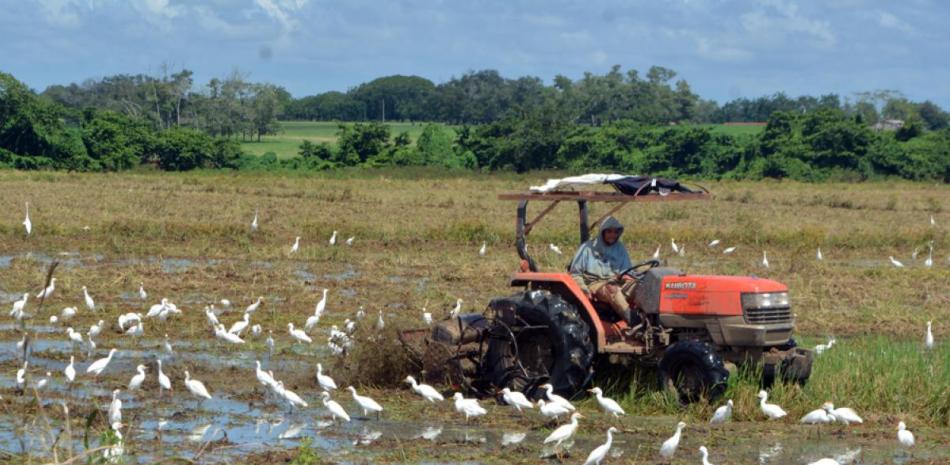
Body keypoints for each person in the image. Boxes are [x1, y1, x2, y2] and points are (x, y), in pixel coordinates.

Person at [568, 216, 640, 326]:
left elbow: (627, 270)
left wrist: (627, 276)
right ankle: (633, 321)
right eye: (609, 231)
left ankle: (650, 320)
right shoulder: (587, 248)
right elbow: (575, 273)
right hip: (595, 284)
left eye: (616, 232)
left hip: (616, 281)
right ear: (602, 232)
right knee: (612, 289)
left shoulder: (620, 248)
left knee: (640, 285)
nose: (613, 235)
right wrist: (584, 289)